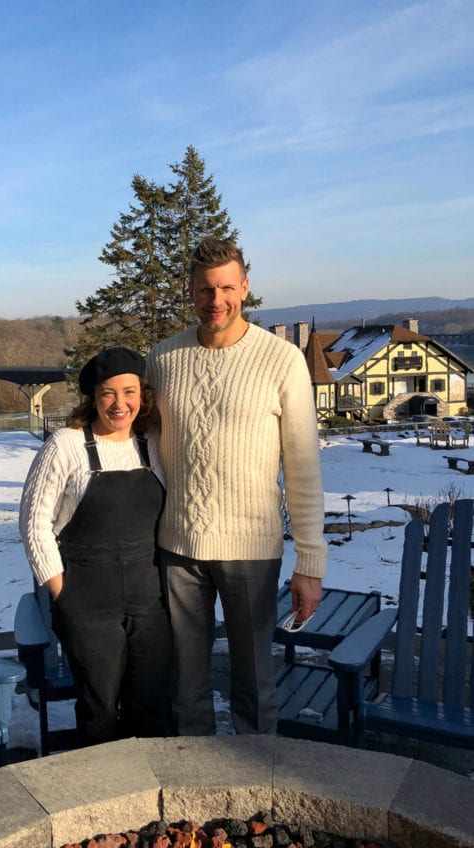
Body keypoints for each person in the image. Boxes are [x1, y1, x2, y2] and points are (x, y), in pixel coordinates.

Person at [146, 237, 327, 736]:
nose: (216, 300)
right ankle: (193, 795)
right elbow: (140, 446)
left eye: (227, 287)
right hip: (178, 546)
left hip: (251, 548)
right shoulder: (161, 360)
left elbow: (303, 466)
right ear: (190, 292)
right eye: (205, 289)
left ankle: (257, 794)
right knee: (185, 686)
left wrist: (310, 562)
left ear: (245, 288)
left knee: (254, 685)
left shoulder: (281, 360)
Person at [19, 346, 173, 745]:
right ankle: (103, 798)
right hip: (87, 601)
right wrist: (62, 594)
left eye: (129, 392)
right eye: (108, 393)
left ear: (143, 395)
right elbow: (35, 525)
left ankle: (153, 791)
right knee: (99, 706)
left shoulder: (153, 443)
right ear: (93, 397)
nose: (119, 403)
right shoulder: (65, 445)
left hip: (148, 598)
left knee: (152, 702)